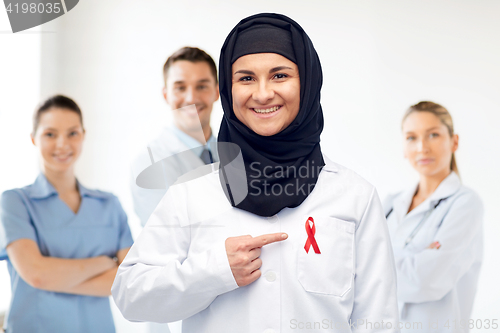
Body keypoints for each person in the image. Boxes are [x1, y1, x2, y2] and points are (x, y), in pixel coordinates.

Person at [113, 13, 399, 332]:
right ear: (227, 88)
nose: (262, 94)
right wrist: (214, 271)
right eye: (246, 78)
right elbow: (130, 294)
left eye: (279, 75)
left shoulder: (355, 197)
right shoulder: (191, 192)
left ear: (307, 82)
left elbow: (379, 322)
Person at [0, 95, 133, 333]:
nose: (62, 144)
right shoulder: (15, 202)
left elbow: (128, 279)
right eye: (50, 134)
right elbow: (37, 274)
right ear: (33, 139)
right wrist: (106, 263)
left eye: (72, 133)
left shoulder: (109, 205)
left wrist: (53, 279)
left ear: (83, 135)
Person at [383, 101, 483, 332]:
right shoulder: (389, 204)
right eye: (411, 137)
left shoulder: (465, 204)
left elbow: (425, 280)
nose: (422, 147)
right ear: (403, 148)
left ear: (454, 141)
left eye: (433, 135)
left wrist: (372, 264)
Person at [130, 46, 220, 227]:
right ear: (166, 95)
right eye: (180, 87)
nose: (191, 98)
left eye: (202, 86)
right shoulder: (150, 163)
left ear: (217, 92)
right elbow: (168, 240)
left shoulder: (238, 153)